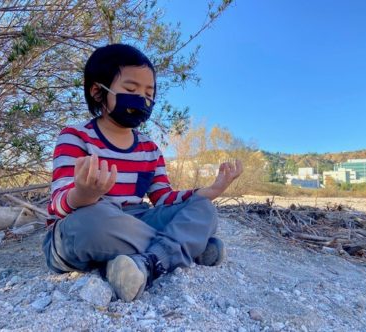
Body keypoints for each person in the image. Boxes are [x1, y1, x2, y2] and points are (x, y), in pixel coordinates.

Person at [42, 43, 243, 302]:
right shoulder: (75, 137)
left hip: (136, 222)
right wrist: (82, 194)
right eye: (130, 89)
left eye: (149, 92)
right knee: (95, 221)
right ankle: (188, 248)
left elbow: (163, 198)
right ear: (97, 91)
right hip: (82, 226)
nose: (143, 99)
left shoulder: (149, 148)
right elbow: (58, 204)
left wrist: (210, 191)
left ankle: (148, 262)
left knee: (204, 209)